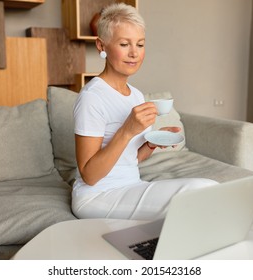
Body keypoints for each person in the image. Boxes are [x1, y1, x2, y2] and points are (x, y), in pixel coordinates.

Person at [72, 3, 217, 220]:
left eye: (140, 44)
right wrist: (127, 131)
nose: (134, 53)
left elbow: (129, 160)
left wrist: (151, 144)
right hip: (97, 195)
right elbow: (90, 175)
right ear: (101, 46)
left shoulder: (136, 95)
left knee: (210, 188)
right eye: (124, 44)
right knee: (199, 191)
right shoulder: (92, 97)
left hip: (131, 185)